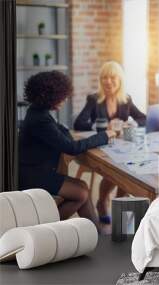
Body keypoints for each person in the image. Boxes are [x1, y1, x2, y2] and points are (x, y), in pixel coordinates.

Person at [18, 71, 116, 230]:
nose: (65, 99)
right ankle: (44, 229)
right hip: (34, 175)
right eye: (62, 96)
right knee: (81, 193)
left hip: (37, 170)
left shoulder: (38, 112)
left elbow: (64, 137)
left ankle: (96, 234)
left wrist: (64, 132)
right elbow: (71, 148)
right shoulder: (40, 119)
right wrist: (104, 136)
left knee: (82, 190)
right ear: (50, 96)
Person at [74, 61, 146, 224]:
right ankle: (103, 201)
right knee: (118, 169)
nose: (108, 81)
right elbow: (79, 124)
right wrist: (101, 126)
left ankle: (119, 202)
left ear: (120, 80)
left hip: (121, 146)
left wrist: (131, 124)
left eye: (112, 77)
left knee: (127, 168)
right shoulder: (94, 99)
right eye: (104, 78)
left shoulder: (125, 99)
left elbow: (143, 118)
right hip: (100, 146)